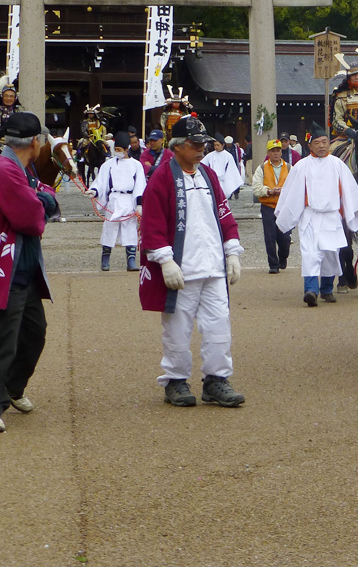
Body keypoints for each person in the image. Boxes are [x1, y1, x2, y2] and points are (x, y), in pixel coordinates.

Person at [138, 115, 245, 409]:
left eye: (203, 144)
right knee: (176, 330)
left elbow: (224, 214)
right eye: (195, 144)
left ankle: (216, 379)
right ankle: (175, 380)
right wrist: (165, 261)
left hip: (213, 269)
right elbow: (152, 224)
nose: (201, 149)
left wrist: (232, 251)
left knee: (219, 327)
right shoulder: (162, 177)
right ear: (177, 146)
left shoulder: (208, 175)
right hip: (181, 271)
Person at [0, 112, 60, 433]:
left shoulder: (22, 168)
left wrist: (41, 197)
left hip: (23, 268)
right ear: (35, 141)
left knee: (35, 334)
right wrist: (43, 199)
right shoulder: (4, 170)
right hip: (2, 267)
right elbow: (31, 218)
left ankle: (12, 386)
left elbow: (43, 195)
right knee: (1, 340)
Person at [274, 123, 358, 306]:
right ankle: (311, 290)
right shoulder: (301, 166)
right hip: (310, 216)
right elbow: (290, 192)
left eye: (324, 142)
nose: (321, 146)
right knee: (310, 253)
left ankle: (326, 289)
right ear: (310, 145)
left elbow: (351, 190)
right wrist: (283, 215)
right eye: (317, 143)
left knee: (330, 254)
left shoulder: (337, 164)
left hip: (331, 216)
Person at [88, 130, 146, 272]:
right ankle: (105, 258)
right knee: (109, 228)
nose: (117, 152)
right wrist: (94, 191)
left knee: (130, 229)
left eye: (120, 149)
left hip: (129, 199)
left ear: (126, 149)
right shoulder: (108, 164)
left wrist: (139, 204)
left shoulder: (136, 165)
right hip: (114, 199)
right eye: (116, 149)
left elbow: (140, 185)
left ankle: (131, 261)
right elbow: (101, 181)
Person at [252, 139, 292, 274]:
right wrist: (269, 191)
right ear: (268, 153)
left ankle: (283, 257)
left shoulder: (290, 168)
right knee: (269, 236)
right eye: (273, 151)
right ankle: (273, 264)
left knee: (285, 237)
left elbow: (295, 186)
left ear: (281, 152)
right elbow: (256, 188)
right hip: (268, 206)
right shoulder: (262, 168)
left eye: (278, 150)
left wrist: (284, 192)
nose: (275, 153)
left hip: (284, 207)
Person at [201, 137, 242, 201]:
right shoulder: (210, 155)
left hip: (224, 180)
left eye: (218, 145)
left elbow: (232, 169)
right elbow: (202, 164)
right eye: (215, 145)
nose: (216, 147)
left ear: (223, 145)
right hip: (213, 180)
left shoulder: (228, 156)